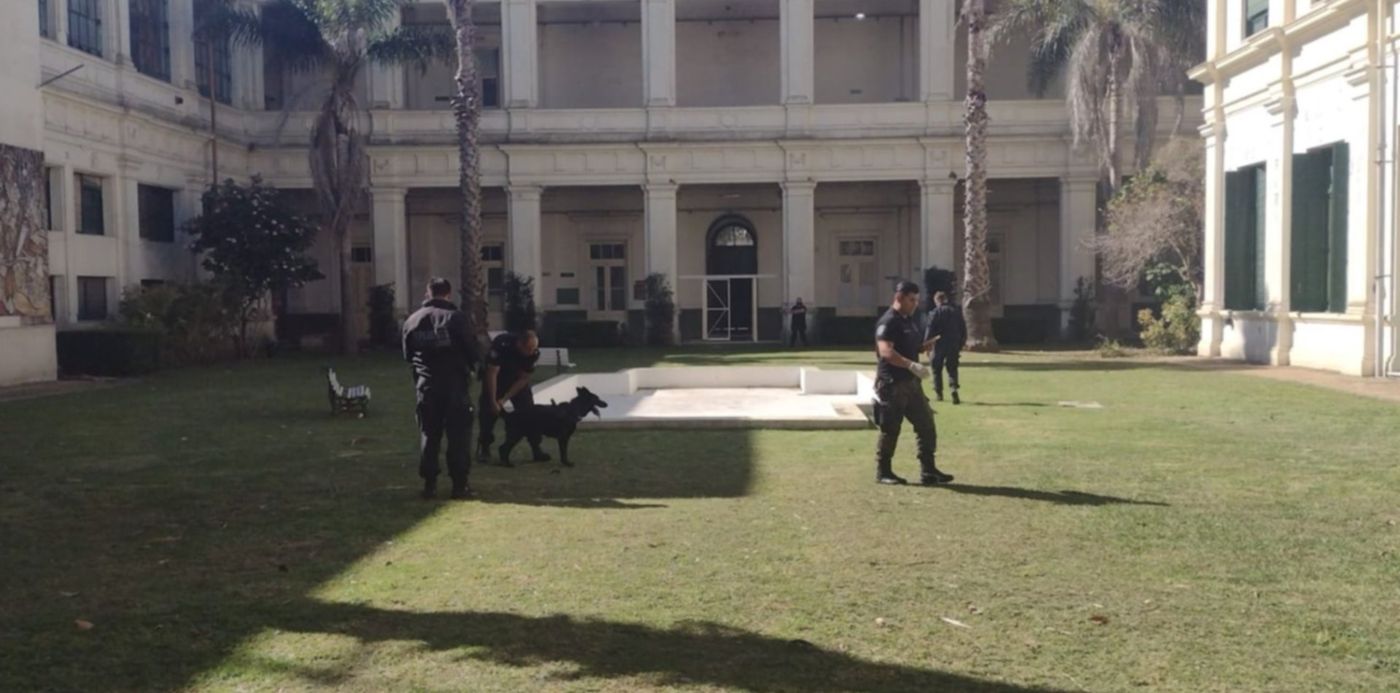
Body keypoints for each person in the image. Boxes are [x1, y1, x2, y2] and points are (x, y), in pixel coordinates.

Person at [402, 278, 479, 500]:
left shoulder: (412, 320)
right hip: (455, 384)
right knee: (459, 436)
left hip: (426, 386)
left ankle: (430, 484)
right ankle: (459, 485)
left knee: (429, 434)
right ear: (448, 293)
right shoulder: (456, 318)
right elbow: (472, 350)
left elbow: (408, 355)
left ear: (428, 292)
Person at [872, 281, 954, 486]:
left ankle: (928, 470)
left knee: (926, 424)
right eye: (911, 300)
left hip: (911, 384)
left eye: (917, 300)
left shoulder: (908, 321)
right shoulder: (888, 321)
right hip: (893, 383)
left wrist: (923, 347)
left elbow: (909, 346)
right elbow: (886, 352)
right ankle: (884, 471)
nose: (915, 304)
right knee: (890, 428)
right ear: (899, 297)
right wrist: (910, 364)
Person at [477, 329, 550, 466]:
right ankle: (484, 448)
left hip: (516, 381)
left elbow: (524, 378)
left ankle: (536, 448)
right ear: (519, 344)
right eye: (528, 349)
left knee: (529, 413)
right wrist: (494, 401)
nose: (531, 352)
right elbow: (492, 373)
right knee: (488, 414)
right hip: (496, 380)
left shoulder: (533, 353)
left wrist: (504, 399)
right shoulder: (502, 344)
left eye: (534, 349)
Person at [924, 291, 967, 404]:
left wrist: (926, 344)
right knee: (952, 368)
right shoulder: (955, 312)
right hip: (953, 343)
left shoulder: (934, 313)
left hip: (939, 344)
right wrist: (961, 343)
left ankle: (939, 393)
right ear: (946, 299)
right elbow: (963, 329)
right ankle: (953, 388)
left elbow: (930, 329)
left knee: (936, 369)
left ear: (936, 301)